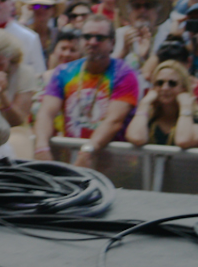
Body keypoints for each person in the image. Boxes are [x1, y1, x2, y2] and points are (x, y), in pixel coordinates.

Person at [33, 14, 139, 167]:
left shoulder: (123, 73)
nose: (92, 42)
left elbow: (114, 121)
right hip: (72, 160)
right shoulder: (64, 72)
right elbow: (46, 112)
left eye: (100, 38)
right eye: (87, 37)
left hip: (114, 165)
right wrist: (41, 146)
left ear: (112, 43)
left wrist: (88, 151)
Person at [125, 60, 198, 148]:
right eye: (159, 83)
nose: (165, 88)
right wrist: (144, 104)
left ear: (184, 88)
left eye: (172, 83)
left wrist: (185, 107)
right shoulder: (148, 114)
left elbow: (183, 141)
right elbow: (136, 138)